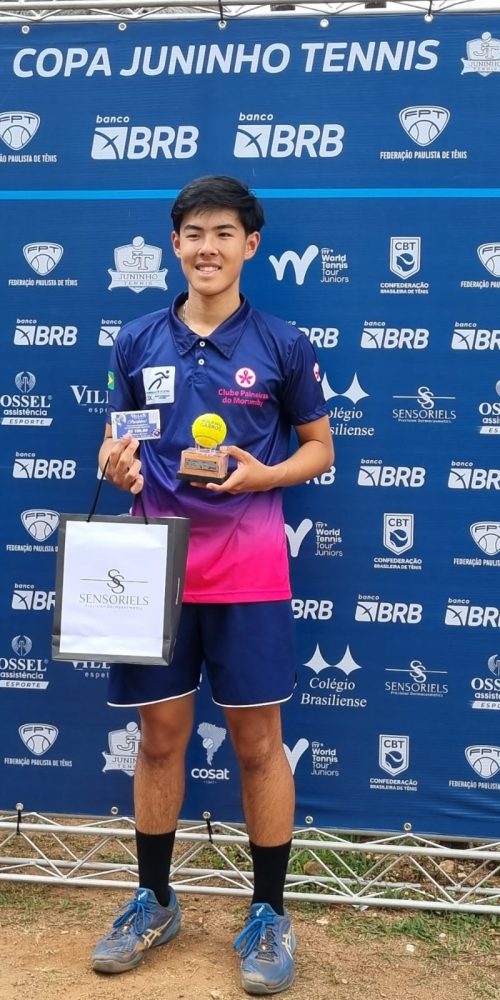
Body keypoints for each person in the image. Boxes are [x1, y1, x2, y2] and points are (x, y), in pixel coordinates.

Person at [92, 175, 334, 995]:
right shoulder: (136, 339)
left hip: (249, 572)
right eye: (194, 233)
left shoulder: (283, 344)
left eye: (224, 233)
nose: (208, 247)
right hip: (150, 574)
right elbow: (117, 440)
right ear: (175, 244)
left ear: (250, 245)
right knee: (159, 739)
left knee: (258, 744)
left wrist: (268, 474)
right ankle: (155, 899)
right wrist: (115, 463)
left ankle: (268, 912)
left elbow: (320, 448)